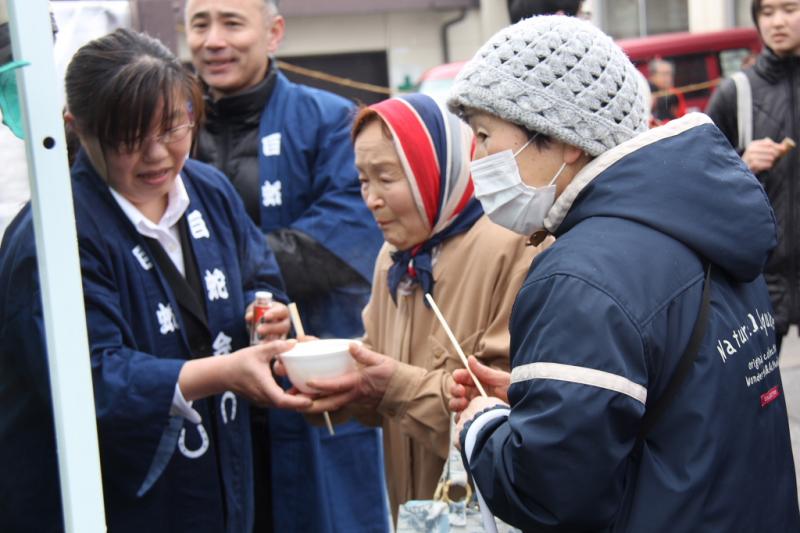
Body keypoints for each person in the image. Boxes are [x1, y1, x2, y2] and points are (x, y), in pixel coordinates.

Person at [446, 15, 799, 531]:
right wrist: (550, 395)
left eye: (483, 133)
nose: (476, 157)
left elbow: (547, 489)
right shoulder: (713, 222)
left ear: (566, 138)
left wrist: (483, 425)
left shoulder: (579, 277)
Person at [0, 28, 312, 533]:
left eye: (173, 127)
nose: (158, 155)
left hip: (220, 479)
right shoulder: (53, 234)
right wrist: (226, 372)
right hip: (112, 503)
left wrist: (265, 316)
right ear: (77, 127)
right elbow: (93, 379)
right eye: (129, 137)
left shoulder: (208, 190)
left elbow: (260, 277)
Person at [183, 1, 387, 531]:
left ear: (273, 33)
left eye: (231, 22)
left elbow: (343, 237)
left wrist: (219, 277)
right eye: (199, 24)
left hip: (312, 381)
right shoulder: (171, 127)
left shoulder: (328, 119)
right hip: (208, 383)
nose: (213, 40)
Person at [293, 93, 545, 520]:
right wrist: (337, 383)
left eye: (387, 177)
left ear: (433, 170)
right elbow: (382, 389)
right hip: (415, 514)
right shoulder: (392, 258)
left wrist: (393, 385)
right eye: (362, 180)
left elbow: (503, 405)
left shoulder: (512, 246)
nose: (370, 198)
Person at [706, 0, 800, 351]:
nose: (777, 21)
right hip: (756, 275)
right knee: (759, 396)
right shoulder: (737, 92)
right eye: (767, 12)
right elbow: (699, 180)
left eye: (789, 9)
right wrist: (741, 165)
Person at [648, 58, 686, 125]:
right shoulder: (646, 92)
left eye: (670, 74)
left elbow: (682, 116)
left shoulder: (675, 93)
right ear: (653, 76)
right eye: (664, 74)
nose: (668, 78)